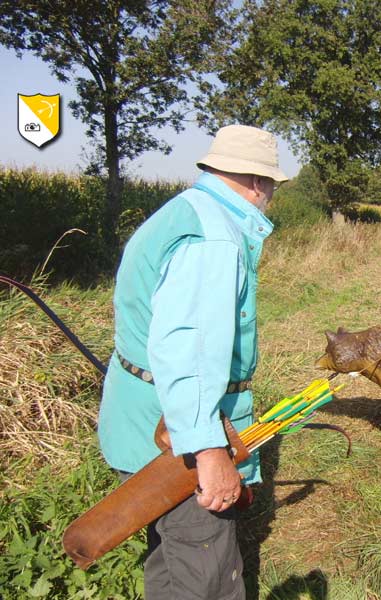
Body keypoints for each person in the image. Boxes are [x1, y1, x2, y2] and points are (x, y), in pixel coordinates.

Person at [97, 124, 288, 599]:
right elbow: (189, 349)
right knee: (206, 573)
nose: (268, 197)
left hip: (145, 422)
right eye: (271, 187)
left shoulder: (183, 213)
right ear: (257, 182)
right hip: (178, 438)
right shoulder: (214, 239)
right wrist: (208, 451)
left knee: (170, 556)